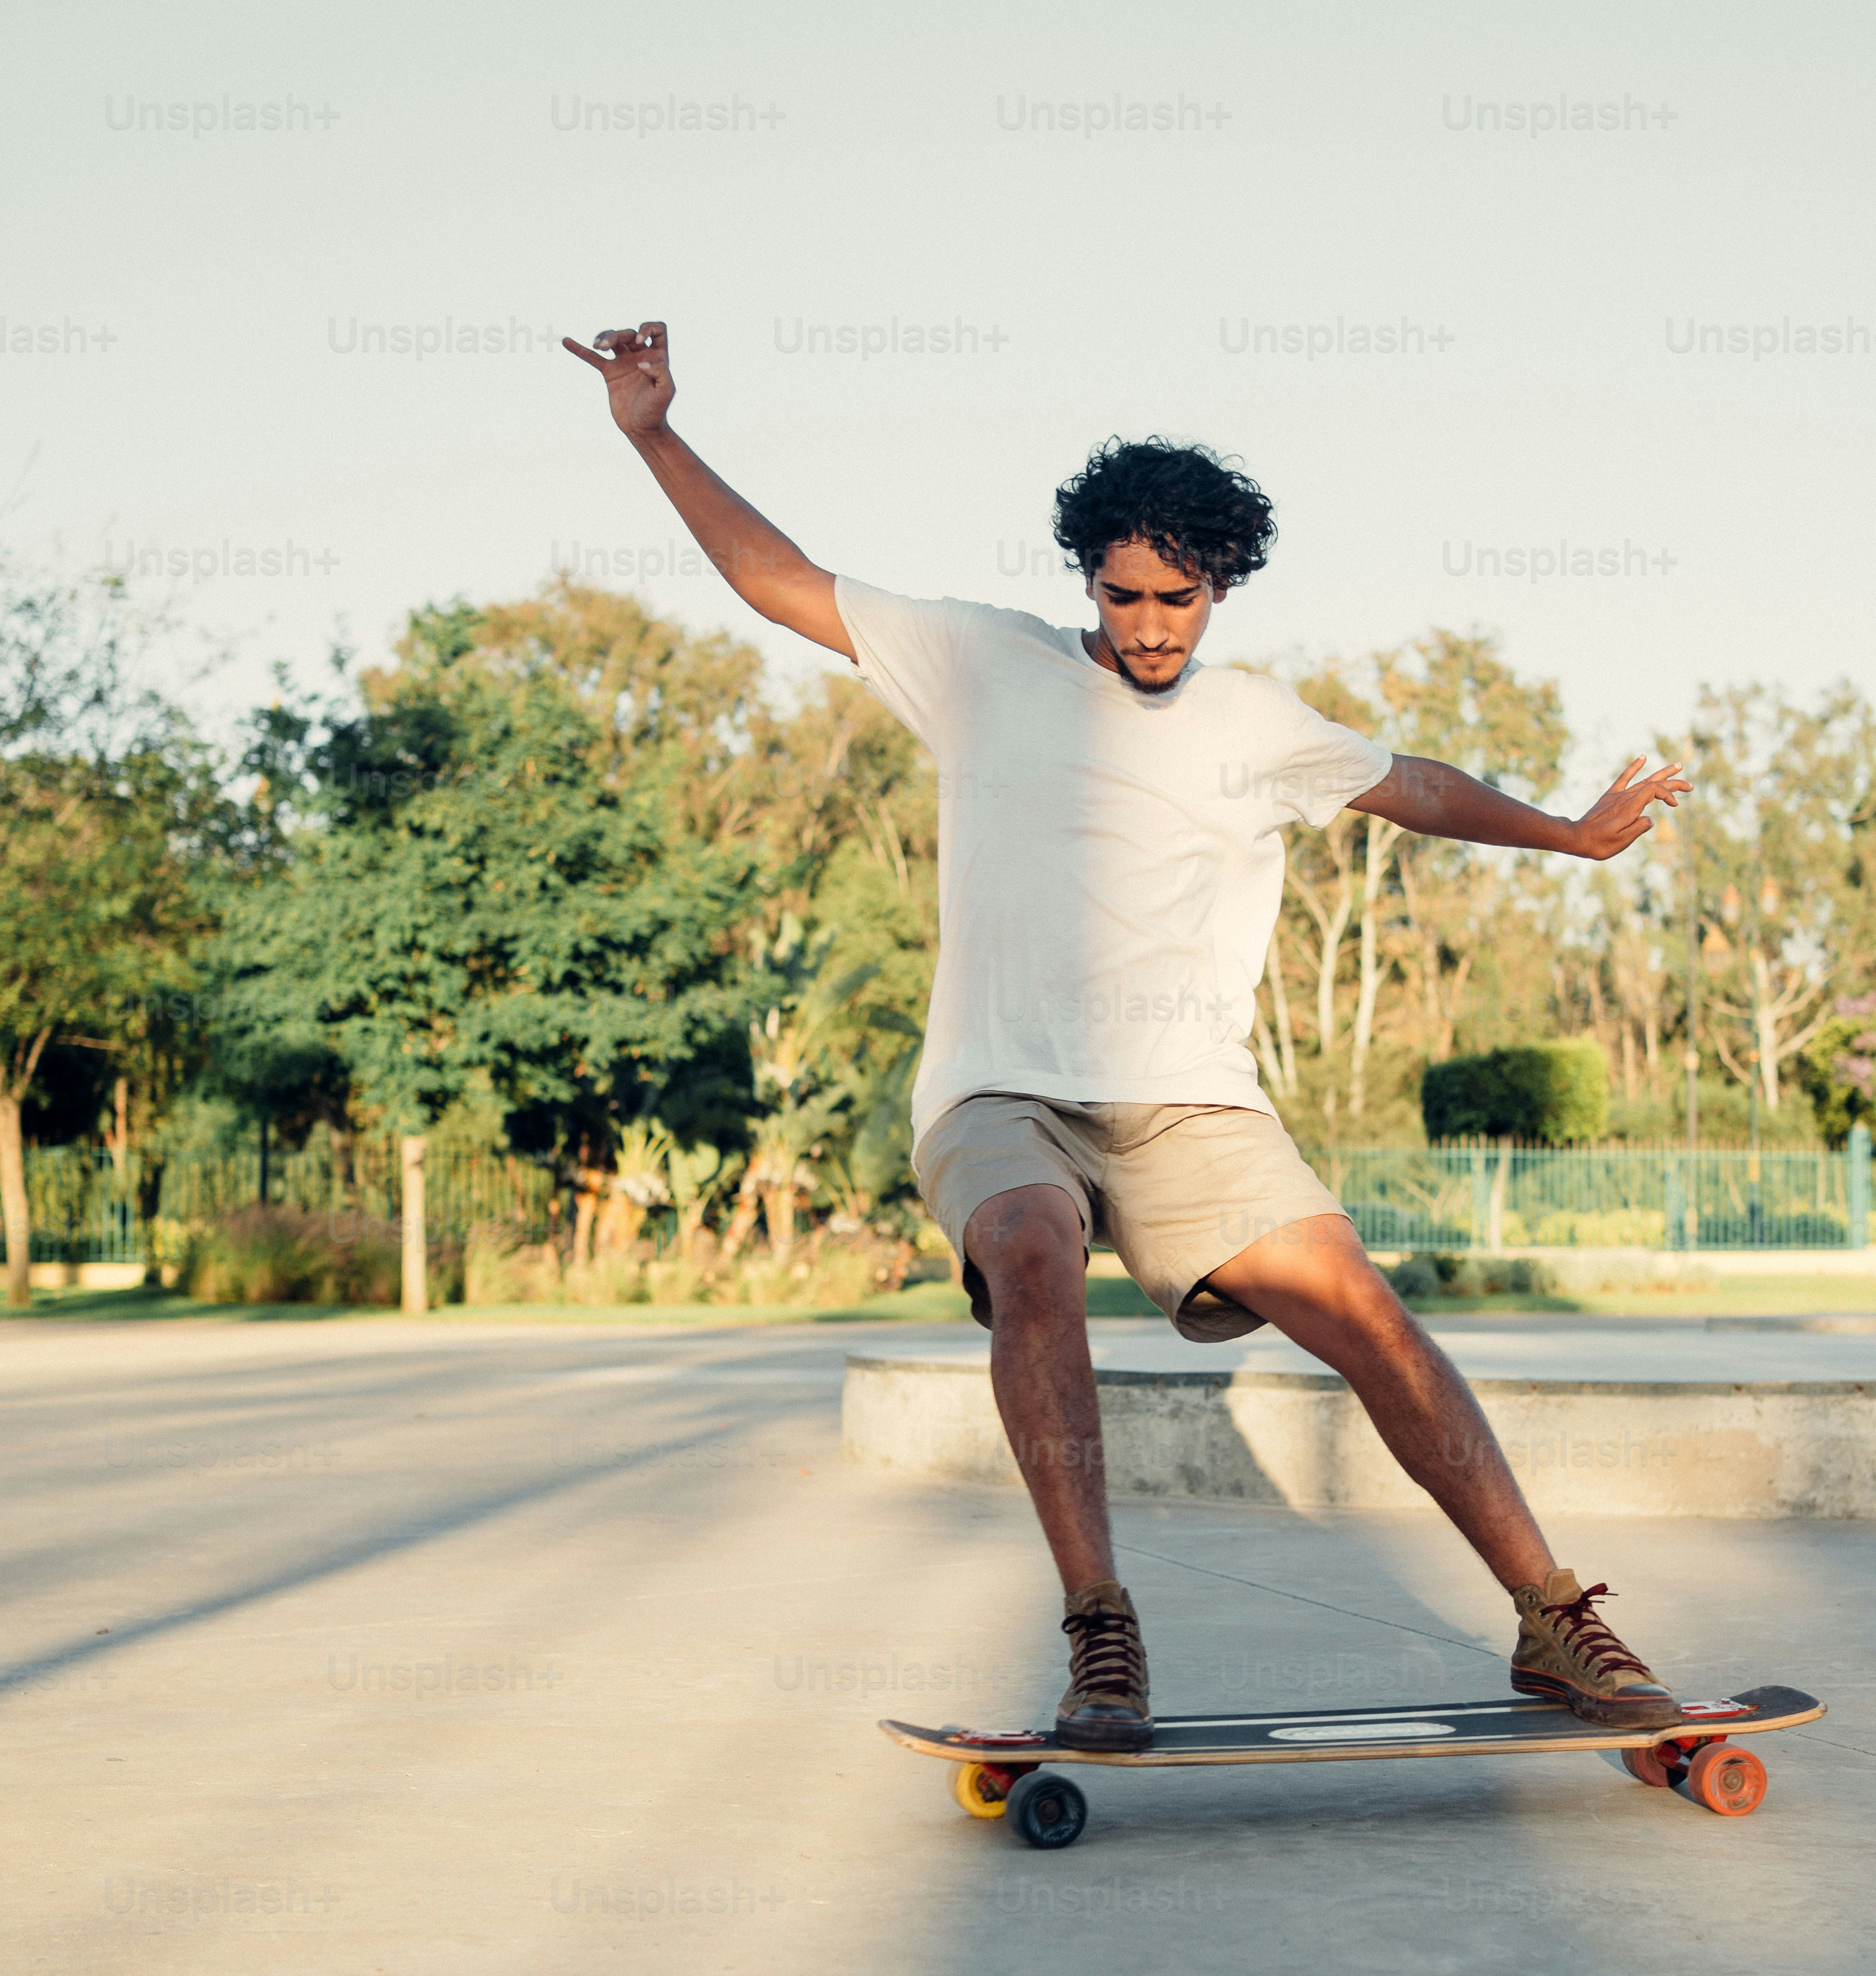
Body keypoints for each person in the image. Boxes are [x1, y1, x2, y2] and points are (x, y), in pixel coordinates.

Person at [566, 321, 1693, 1751]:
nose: (1153, 627)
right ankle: (1102, 1629)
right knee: (1031, 1252)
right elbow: (780, 583)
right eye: (1128, 596)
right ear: (1086, 578)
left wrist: (1567, 836)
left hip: (1187, 1107)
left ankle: (1553, 1618)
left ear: (1221, 584)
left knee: (1368, 1316)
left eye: (1182, 599)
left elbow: (1411, 783)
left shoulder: (1258, 721)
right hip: (998, 1089)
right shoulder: (983, 661)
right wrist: (654, 433)